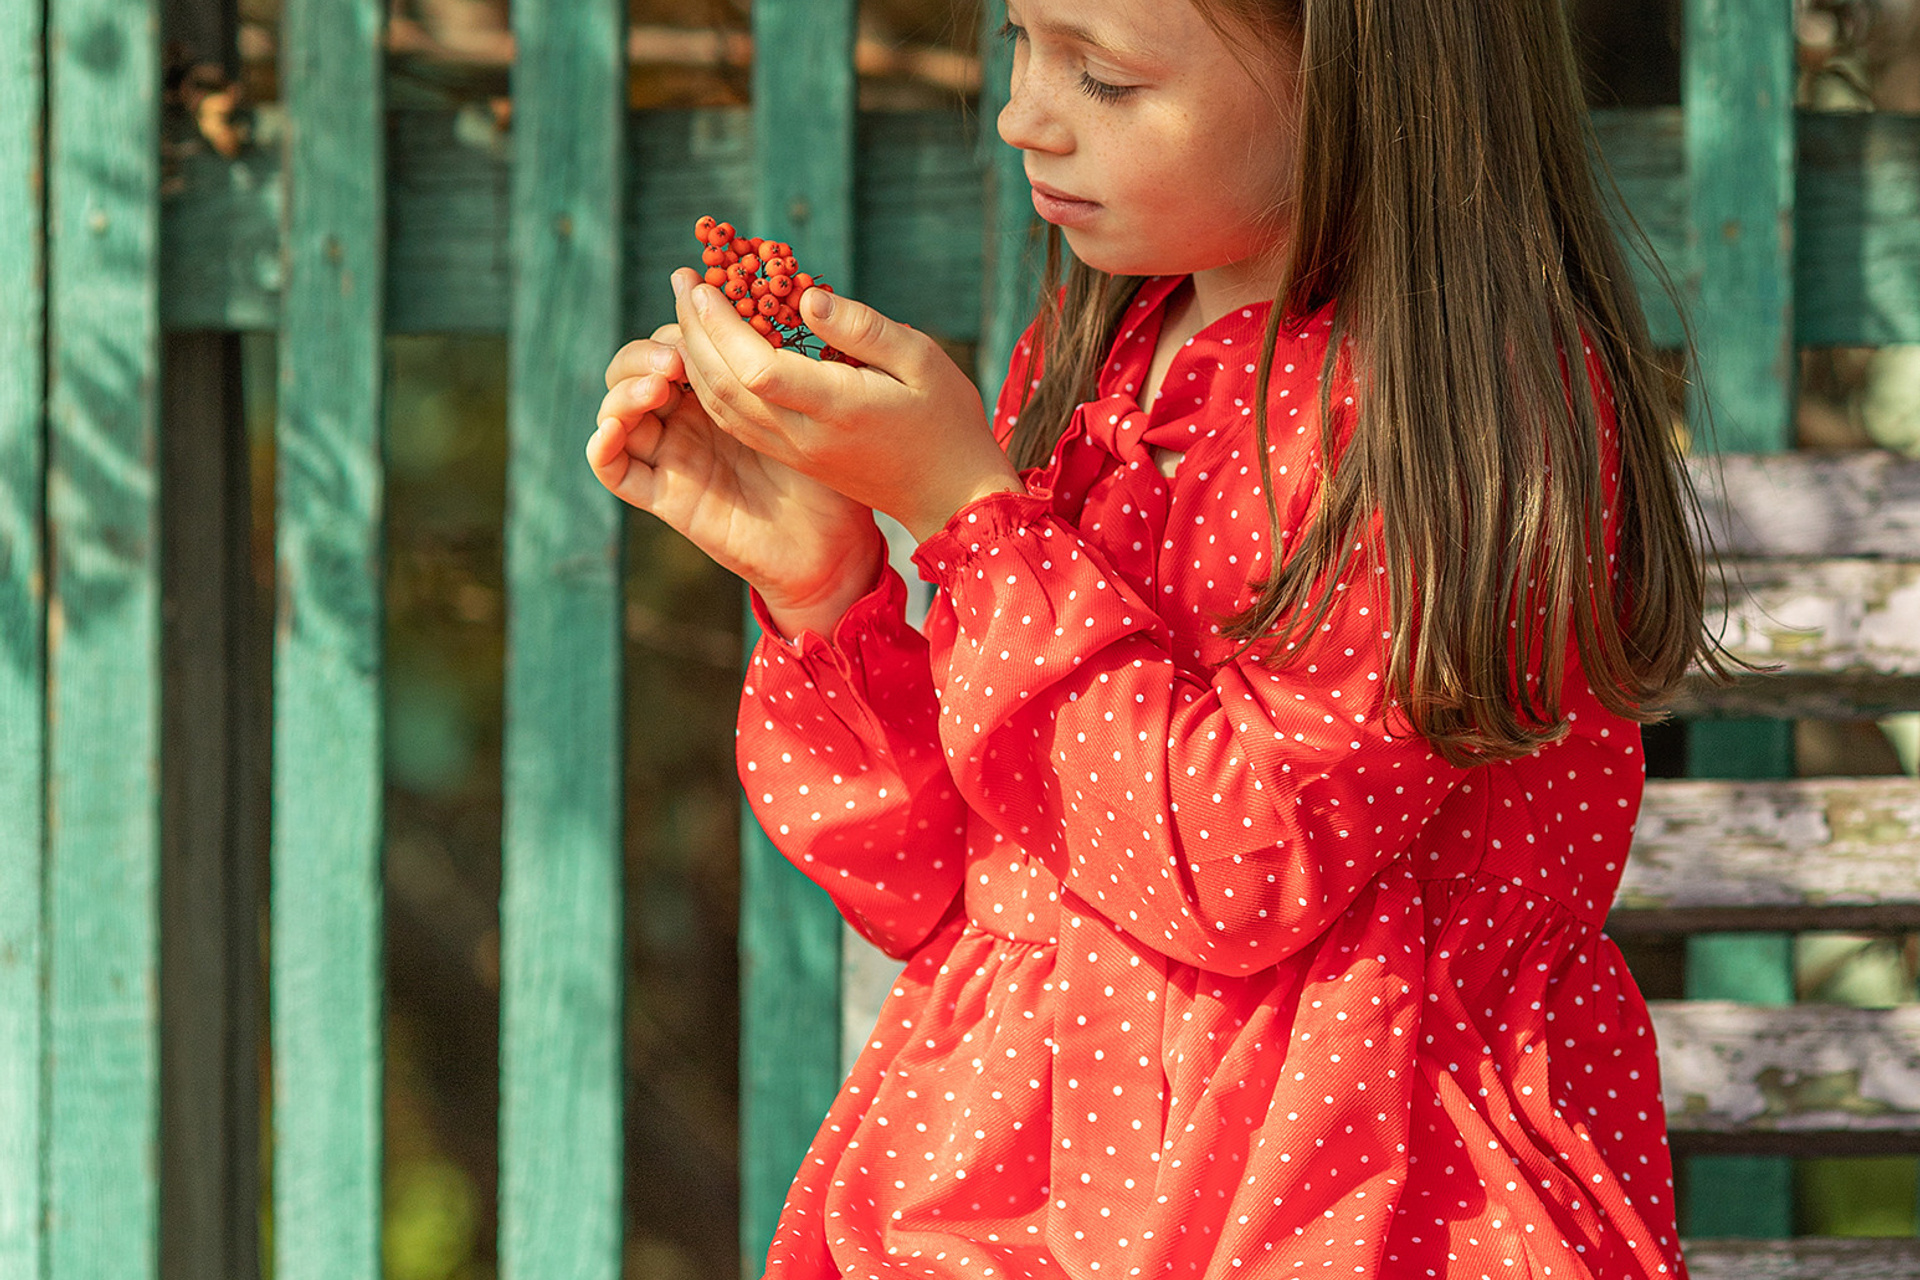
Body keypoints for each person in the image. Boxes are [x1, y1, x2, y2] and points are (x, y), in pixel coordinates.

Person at [589, 0, 1718, 1275]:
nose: (1021, 111)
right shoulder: (1093, 365)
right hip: (1023, 1178)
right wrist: (830, 587)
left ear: (1361, 77)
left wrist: (968, 512)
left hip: (1344, 1197)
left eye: (1105, 76)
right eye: (1021, 38)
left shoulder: (1459, 423)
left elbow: (1235, 867)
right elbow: (944, 882)